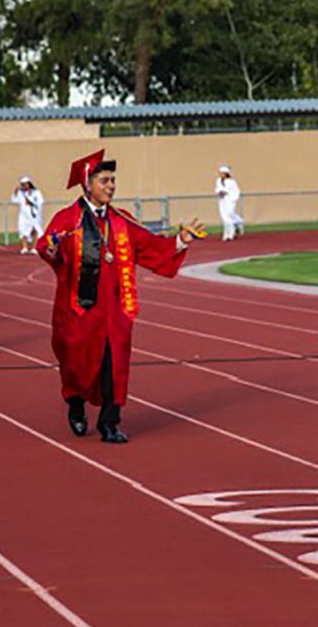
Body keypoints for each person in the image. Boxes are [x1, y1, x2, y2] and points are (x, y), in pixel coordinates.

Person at [36, 149, 205, 444]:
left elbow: (150, 245)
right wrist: (50, 247)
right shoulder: (68, 220)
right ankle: (76, 405)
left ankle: (110, 423)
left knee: (115, 364)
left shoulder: (121, 220)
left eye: (113, 180)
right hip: (78, 309)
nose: (111, 186)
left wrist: (180, 241)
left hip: (115, 308)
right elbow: (49, 247)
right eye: (105, 180)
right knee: (76, 364)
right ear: (88, 184)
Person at [11, 175, 45, 254]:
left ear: (29, 184)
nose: (23, 186)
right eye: (22, 184)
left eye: (24, 184)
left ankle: (34, 248)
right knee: (22, 231)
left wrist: (31, 203)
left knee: (35, 230)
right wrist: (15, 193)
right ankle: (24, 247)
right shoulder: (20, 193)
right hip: (23, 216)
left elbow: (40, 202)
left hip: (33, 215)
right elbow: (14, 201)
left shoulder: (36, 192)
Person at [214, 165, 244, 241]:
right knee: (224, 217)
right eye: (220, 173)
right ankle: (226, 234)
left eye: (222, 173)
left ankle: (232, 233)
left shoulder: (232, 182)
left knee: (229, 214)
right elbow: (217, 189)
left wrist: (231, 197)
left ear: (226, 173)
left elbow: (235, 191)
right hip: (222, 200)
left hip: (229, 200)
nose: (221, 175)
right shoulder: (218, 181)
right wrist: (219, 192)